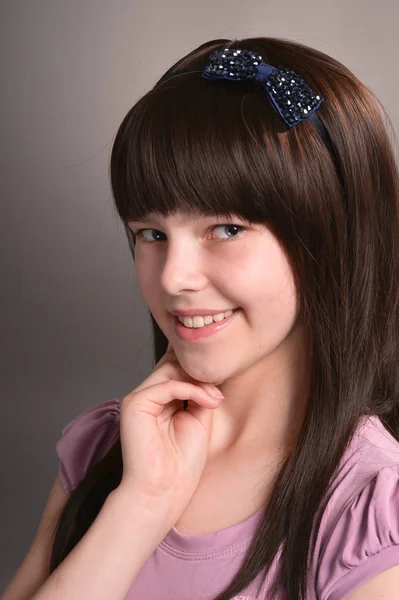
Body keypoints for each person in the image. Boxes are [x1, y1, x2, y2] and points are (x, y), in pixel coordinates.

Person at [3, 36, 399, 600]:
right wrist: (140, 507)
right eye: (151, 234)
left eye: (227, 229)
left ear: (331, 237)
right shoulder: (105, 450)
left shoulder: (370, 511)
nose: (172, 278)